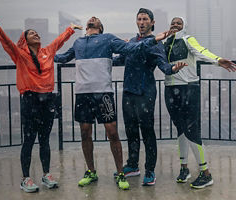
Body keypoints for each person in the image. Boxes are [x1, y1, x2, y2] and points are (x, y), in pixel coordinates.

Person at [54, 16, 176, 190]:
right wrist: (39, 53)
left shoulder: (108, 39)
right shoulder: (78, 43)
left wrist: (154, 40)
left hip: (104, 93)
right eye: (91, 18)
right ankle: (91, 171)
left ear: (101, 27)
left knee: (113, 133)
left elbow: (131, 48)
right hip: (83, 94)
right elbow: (62, 58)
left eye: (96, 19)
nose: (93, 18)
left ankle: (121, 172)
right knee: (85, 133)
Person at [0, 14, 82, 193]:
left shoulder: (47, 52)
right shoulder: (20, 55)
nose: (36, 34)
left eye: (37, 33)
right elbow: (7, 42)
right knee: (29, 140)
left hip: (47, 100)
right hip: (30, 99)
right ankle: (26, 178)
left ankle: (46, 174)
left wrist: (70, 29)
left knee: (45, 140)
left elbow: (59, 41)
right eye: (31, 33)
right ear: (24, 40)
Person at [112, 8, 187, 186]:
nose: (142, 22)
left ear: (152, 22)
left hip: (146, 92)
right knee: (130, 130)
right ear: (136, 22)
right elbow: (122, 59)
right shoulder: (132, 41)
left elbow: (163, 65)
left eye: (145, 19)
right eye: (139, 19)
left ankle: (150, 170)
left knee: (147, 132)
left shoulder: (155, 43)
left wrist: (172, 69)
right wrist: (103, 59)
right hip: (128, 91)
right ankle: (132, 165)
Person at [163, 16, 236, 189]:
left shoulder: (188, 39)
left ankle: (206, 173)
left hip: (189, 89)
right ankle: (184, 168)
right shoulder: (165, 44)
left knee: (192, 130)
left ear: (184, 27)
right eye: (173, 23)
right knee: (180, 129)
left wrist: (218, 60)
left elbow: (201, 51)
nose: (175, 25)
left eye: (178, 23)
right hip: (170, 89)